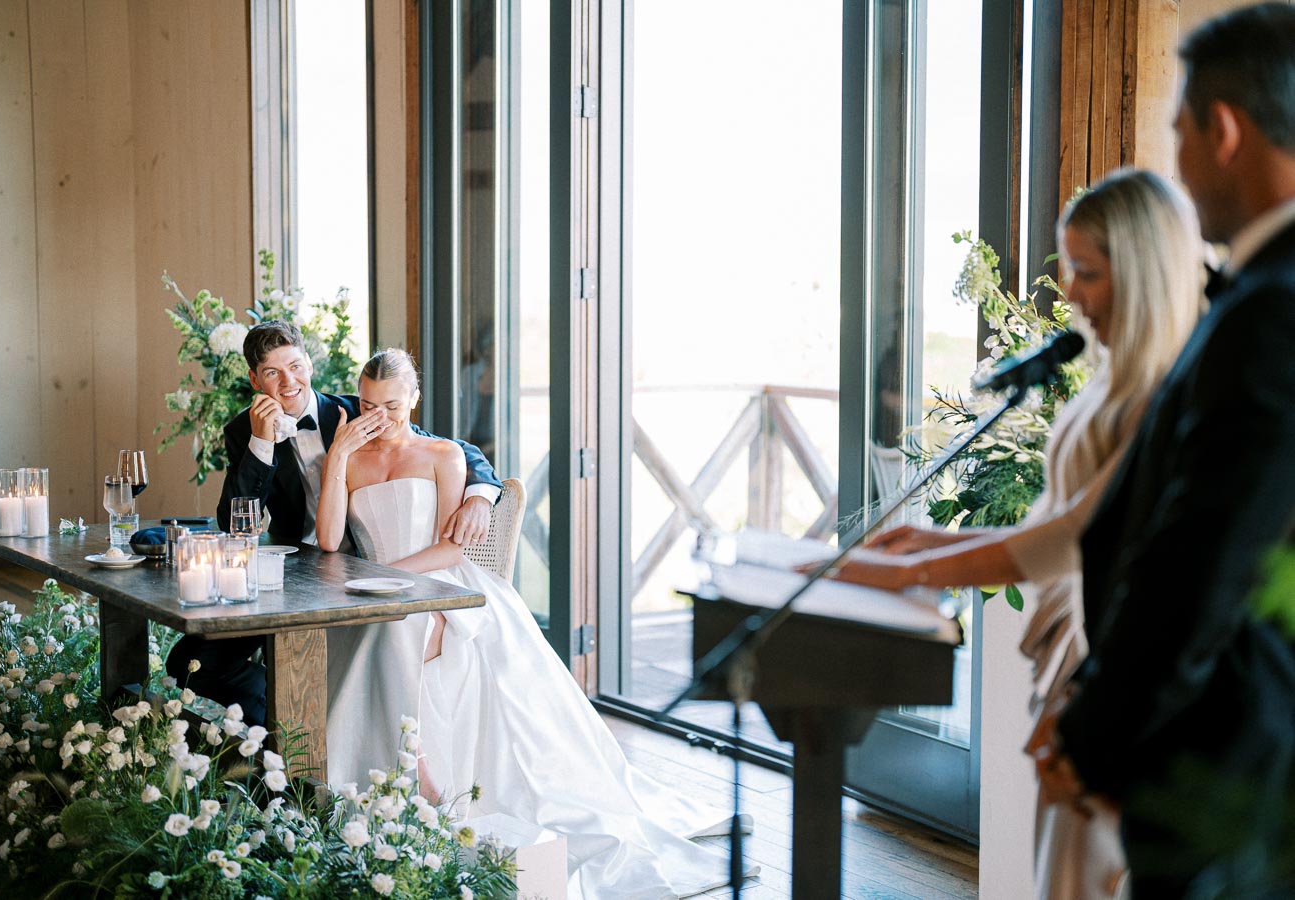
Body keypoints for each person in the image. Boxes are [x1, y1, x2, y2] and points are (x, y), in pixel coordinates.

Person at [824, 169, 1206, 898]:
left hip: (1110, 661)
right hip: (1068, 649)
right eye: (1069, 271)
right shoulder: (1109, 378)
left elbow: (1070, 537)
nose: (1071, 294)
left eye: (1088, 274)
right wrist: (923, 543)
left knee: (1078, 878)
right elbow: (1050, 521)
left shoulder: (1164, 394)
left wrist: (912, 576)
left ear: (1145, 273)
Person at [318, 348, 751, 899]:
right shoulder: (352, 457)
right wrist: (336, 458)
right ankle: (399, 779)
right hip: (377, 593)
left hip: (439, 584)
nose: (380, 416)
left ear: (416, 399)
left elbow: (451, 550)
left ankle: (426, 783)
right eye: (368, 403)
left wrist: (386, 580)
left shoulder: (442, 455)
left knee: (404, 626)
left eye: (393, 405)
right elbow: (330, 541)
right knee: (380, 628)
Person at [1040, 5, 1295, 896]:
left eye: (1179, 128)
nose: (1175, 159)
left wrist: (1095, 730)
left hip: (1223, 773)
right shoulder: (1258, 293)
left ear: (1222, 130)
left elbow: (1205, 554)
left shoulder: (1271, 312)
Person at [165, 321, 502, 725]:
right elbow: (235, 523)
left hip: (368, 571)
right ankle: (287, 722)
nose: (289, 381)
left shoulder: (356, 408)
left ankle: (306, 725)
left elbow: (450, 448)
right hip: (295, 577)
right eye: (272, 372)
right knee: (192, 660)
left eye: (295, 366)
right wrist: (261, 444)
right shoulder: (243, 431)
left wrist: (480, 495)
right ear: (255, 380)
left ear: (309, 364)